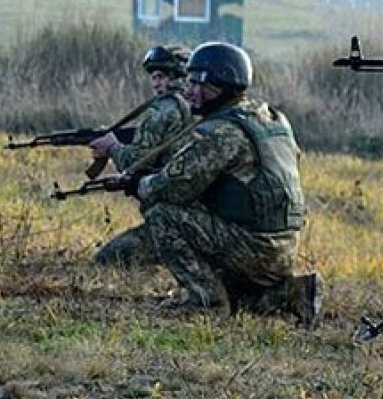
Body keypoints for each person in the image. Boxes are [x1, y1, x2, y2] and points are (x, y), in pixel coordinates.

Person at [128, 41, 323, 326]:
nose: (189, 90)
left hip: (255, 249)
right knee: (239, 297)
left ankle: (207, 304)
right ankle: (291, 293)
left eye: (197, 83)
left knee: (162, 213)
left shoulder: (221, 131)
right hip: (282, 249)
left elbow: (172, 187)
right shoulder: (267, 116)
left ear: (218, 86)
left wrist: (139, 184)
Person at [89, 44, 194, 267]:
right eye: (154, 78)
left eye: (160, 77)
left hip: (173, 217)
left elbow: (134, 163)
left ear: (177, 76)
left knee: (105, 261)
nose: (155, 84)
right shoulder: (199, 107)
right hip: (198, 213)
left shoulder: (161, 112)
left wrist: (112, 147)